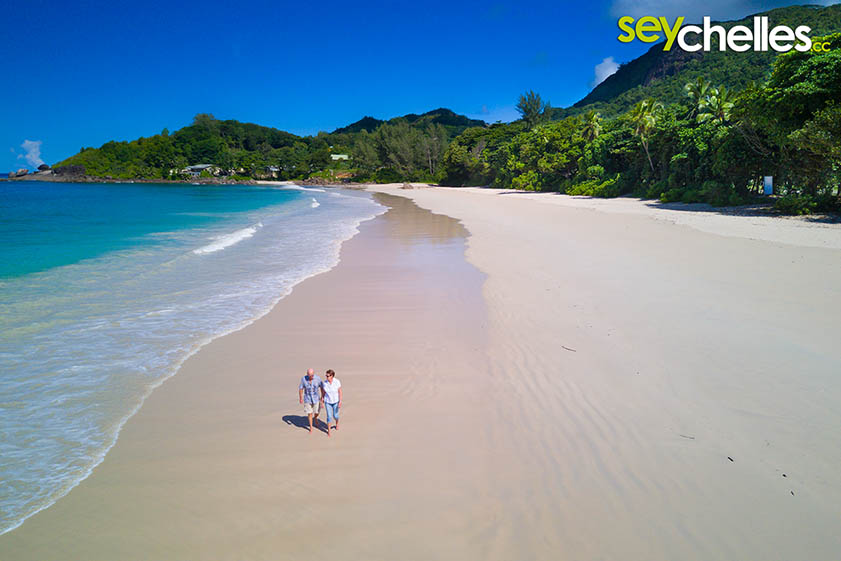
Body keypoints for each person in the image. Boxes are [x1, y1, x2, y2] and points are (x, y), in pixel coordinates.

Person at [298, 368, 323, 433]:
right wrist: (300, 398)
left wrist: (322, 397)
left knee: (317, 412)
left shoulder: (318, 379)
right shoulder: (303, 379)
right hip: (307, 399)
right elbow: (301, 388)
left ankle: (315, 418)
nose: (311, 377)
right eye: (310, 375)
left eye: (312, 375)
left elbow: (322, 387)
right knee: (309, 413)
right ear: (307, 374)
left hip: (316, 398)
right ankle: (311, 427)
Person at [321, 369, 342, 436]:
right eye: (326, 376)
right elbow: (323, 392)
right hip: (328, 402)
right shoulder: (325, 383)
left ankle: (337, 423)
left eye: (328, 376)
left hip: (335, 401)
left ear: (332, 376)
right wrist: (322, 400)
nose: (326, 377)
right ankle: (329, 431)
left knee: (335, 416)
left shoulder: (337, 382)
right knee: (329, 416)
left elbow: (340, 392)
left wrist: (340, 401)